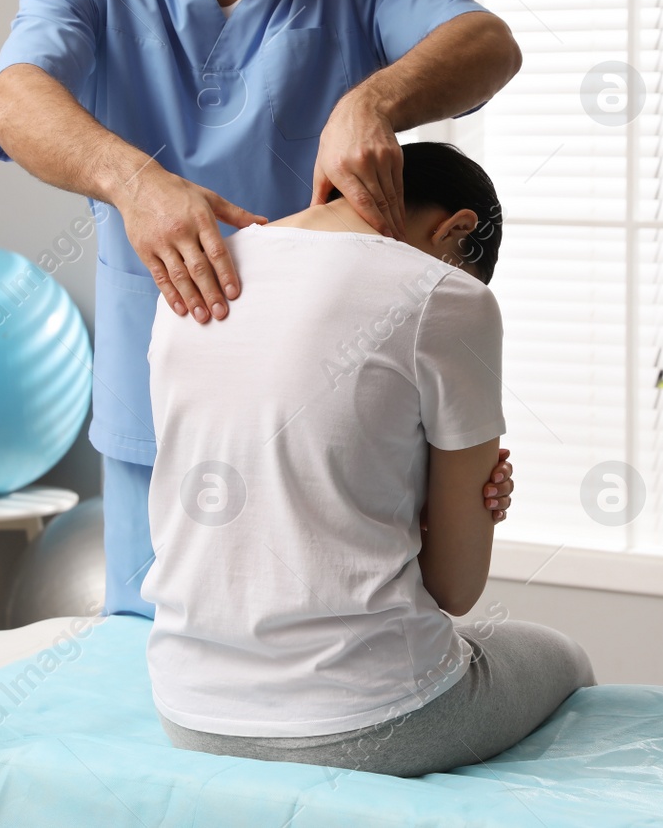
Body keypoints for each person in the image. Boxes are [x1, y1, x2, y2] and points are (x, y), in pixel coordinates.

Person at [0, 0, 523, 618]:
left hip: (334, 426)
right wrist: (136, 181)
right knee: (154, 677)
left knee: (339, 665)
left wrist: (374, 98)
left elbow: (488, 44)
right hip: (161, 423)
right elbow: (13, 101)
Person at [142, 142, 597, 778]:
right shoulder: (449, 297)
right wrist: (466, 509)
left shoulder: (195, 270)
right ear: (457, 228)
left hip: (189, 710)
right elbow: (455, 591)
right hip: (371, 719)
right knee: (566, 657)